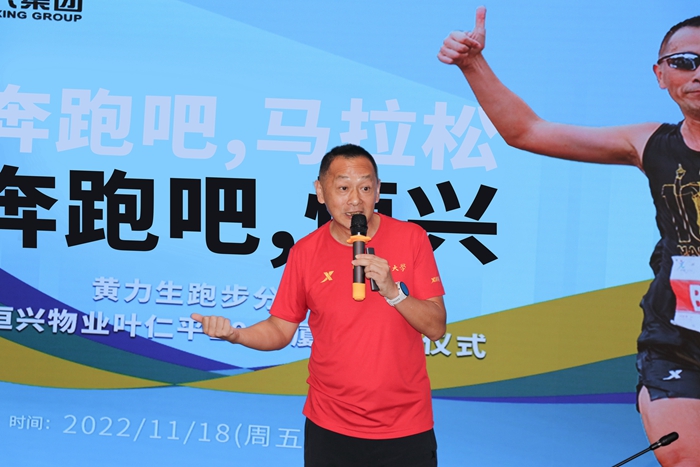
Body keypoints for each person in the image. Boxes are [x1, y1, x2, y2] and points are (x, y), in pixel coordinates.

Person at [438, 7, 700, 467]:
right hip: (676, 342)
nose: (696, 73)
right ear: (661, 75)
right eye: (684, 62)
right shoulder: (649, 143)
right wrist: (472, 64)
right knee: (683, 456)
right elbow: (527, 131)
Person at [192, 143, 446, 467]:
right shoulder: (305, 253)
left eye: (365, 187)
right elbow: (280, 328)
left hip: (405, 426)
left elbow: (436, 327)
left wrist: (394, 292)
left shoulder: (412, 238)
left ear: (378, 191)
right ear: (321, 191)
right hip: (330, 426)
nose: (355, 200)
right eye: (343, 188)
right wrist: (236, 335)